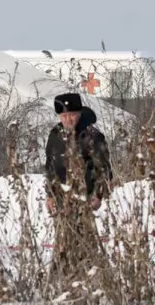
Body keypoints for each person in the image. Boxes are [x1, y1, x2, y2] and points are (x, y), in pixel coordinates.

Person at [44, 92, 113, 281]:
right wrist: (49, 194)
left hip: (84, 199)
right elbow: (50, 167)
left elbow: (104, 169)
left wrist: (98, 194)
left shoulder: (92, 136)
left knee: (85, 242)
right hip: (61, 199)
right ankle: (61, 282)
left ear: (80, 113)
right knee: (63, 242)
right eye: (64, 116)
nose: (68, 119)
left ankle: (91, 281)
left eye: (72, 114)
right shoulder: (55, 135)